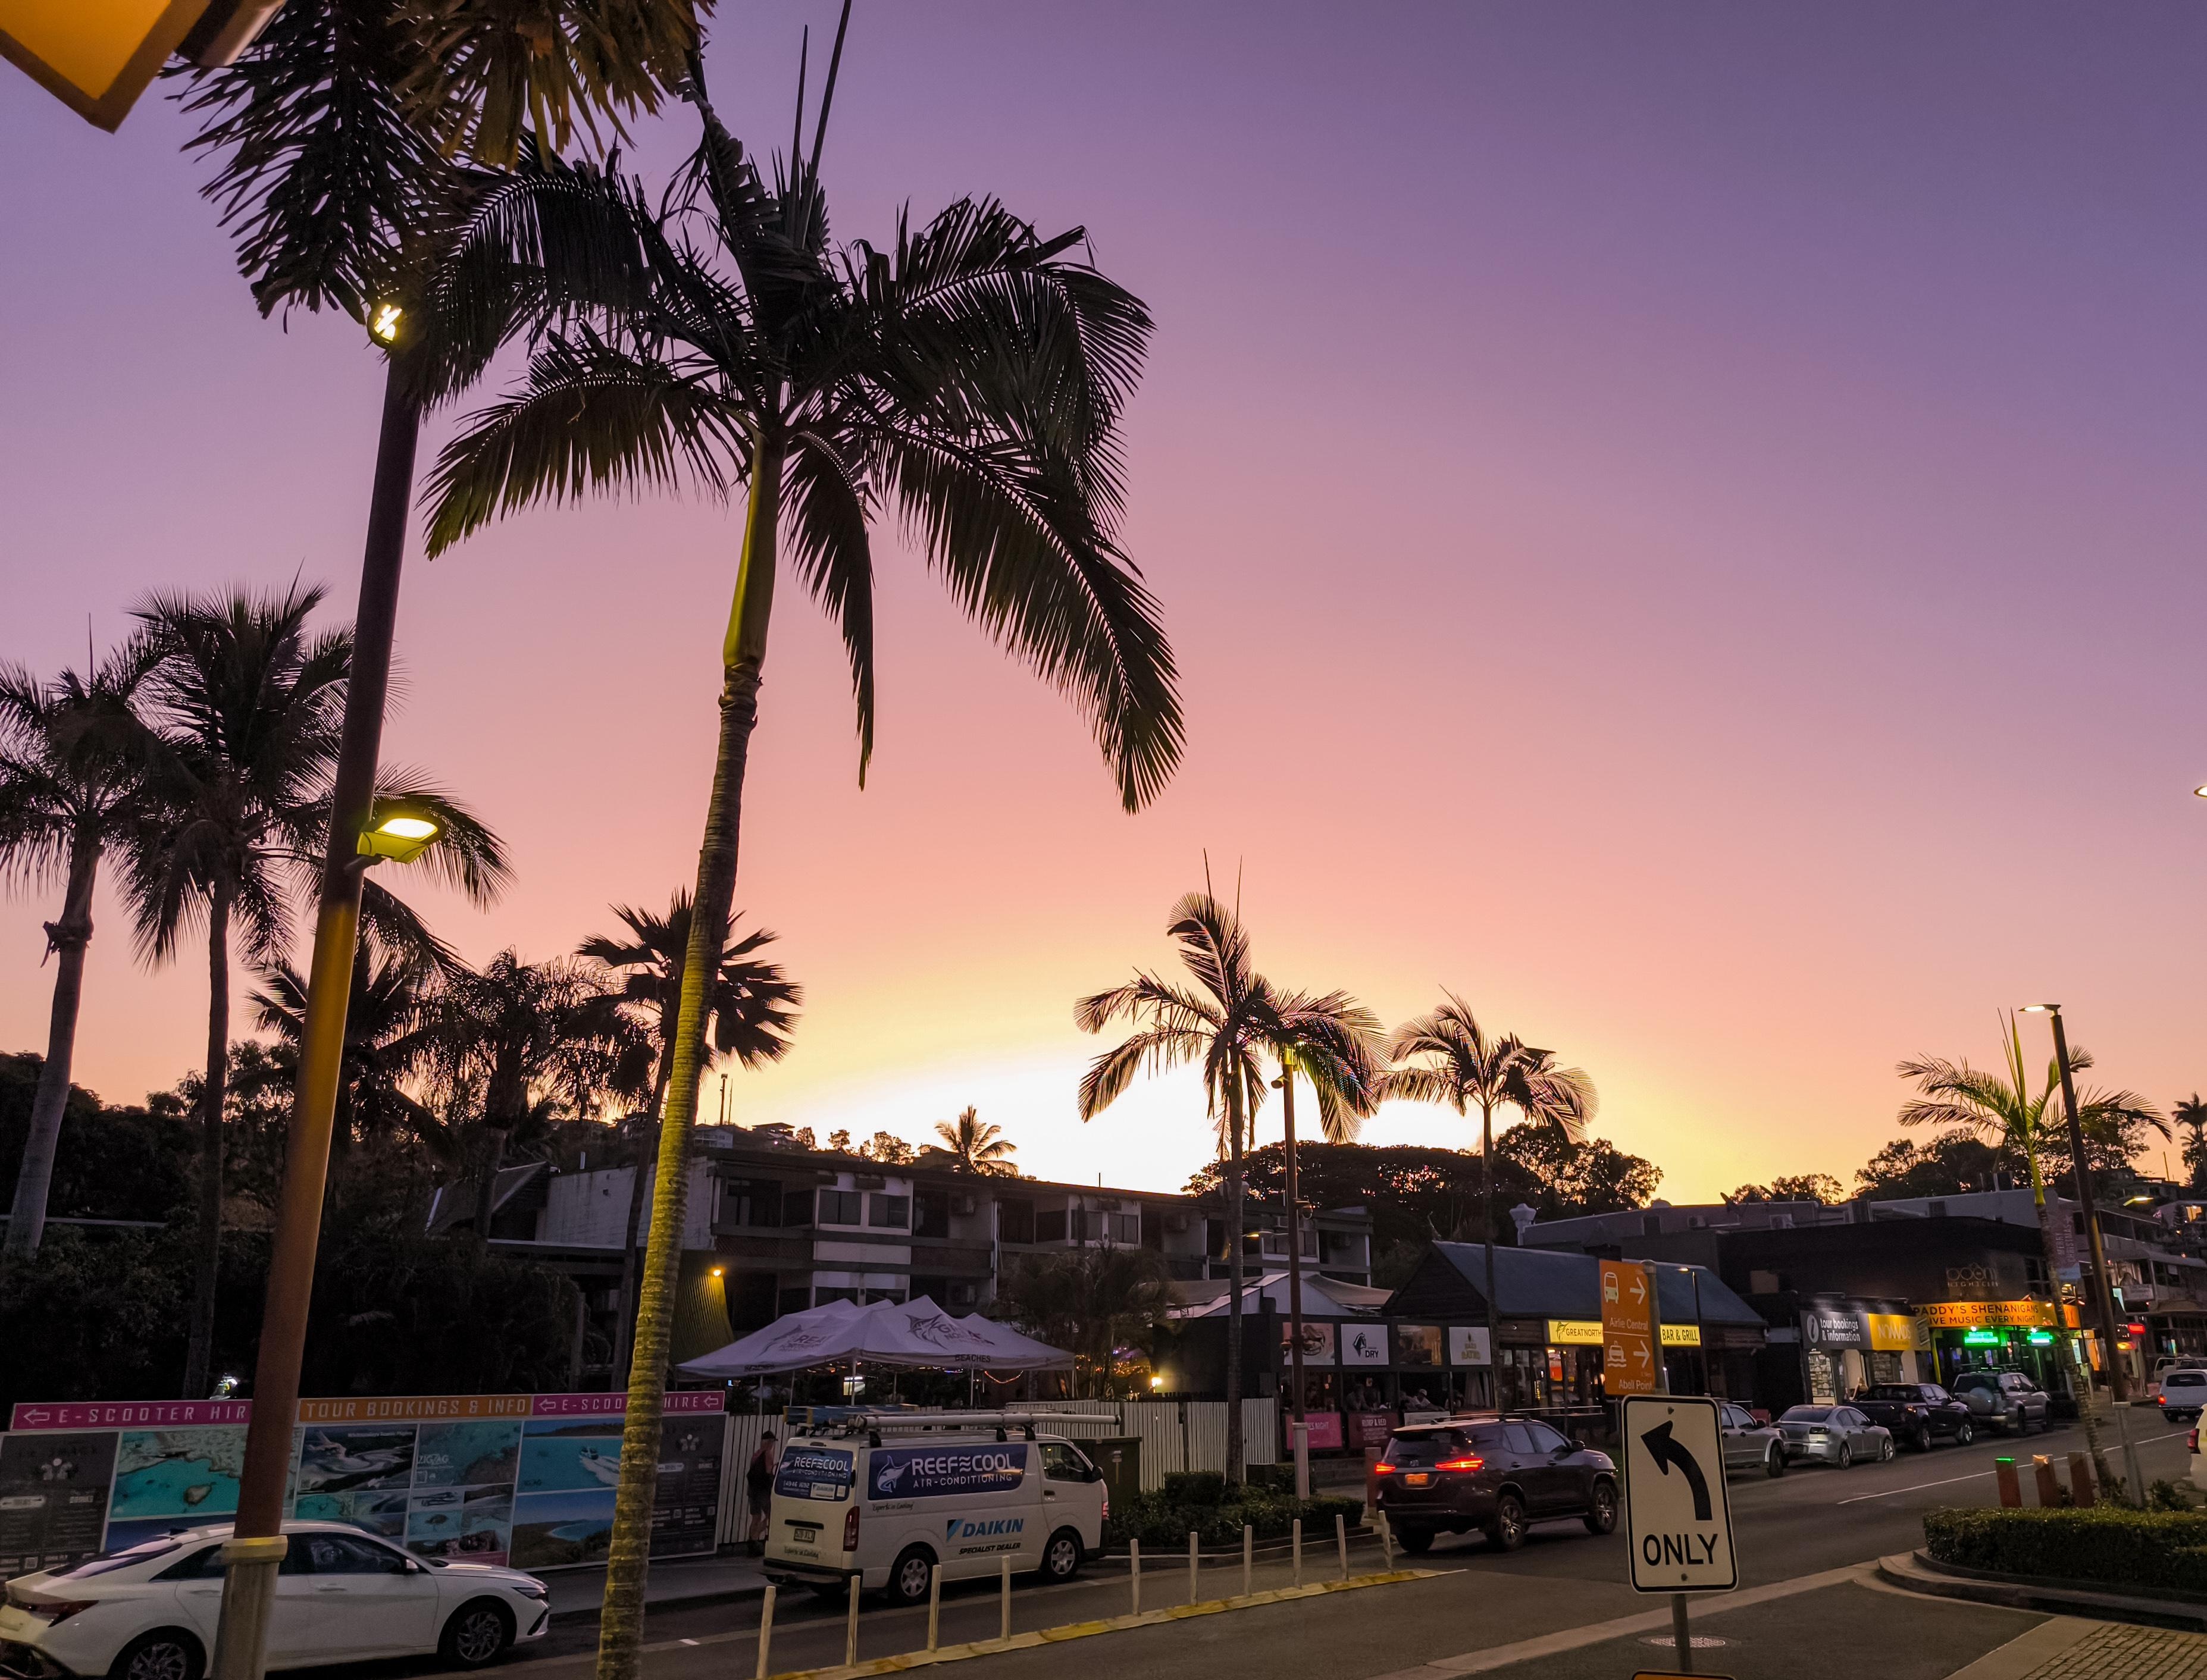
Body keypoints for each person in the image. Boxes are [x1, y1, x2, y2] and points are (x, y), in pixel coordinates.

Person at [744, 1430, 778, 1554]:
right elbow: (769, 1472)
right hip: (763, 1491)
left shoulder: (756, 1454)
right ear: (769, 1442)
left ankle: (751, 1545)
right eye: (773, 1442)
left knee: (755, 1517)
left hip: (752, 1491)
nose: (773, 1445)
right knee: (771, 1516)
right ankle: (755, 1538)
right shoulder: (768, 1454)